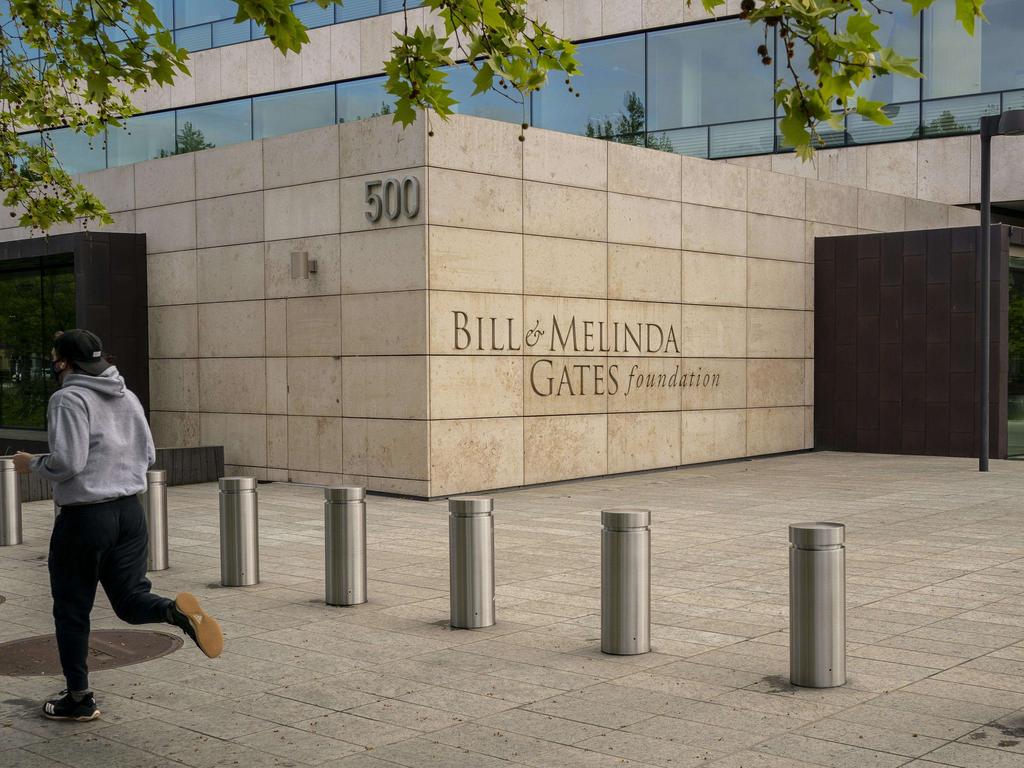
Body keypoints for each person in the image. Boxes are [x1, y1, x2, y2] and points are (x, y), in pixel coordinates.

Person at [12, 329, 223, 722]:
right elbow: (148, 454)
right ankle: (175, 612)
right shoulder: (127, 396)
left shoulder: (68, 398)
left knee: (72, 611)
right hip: (130, 513)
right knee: (129, 601)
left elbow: (69, 463)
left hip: (85, 519)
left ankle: (79, 698)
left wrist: (32, 464)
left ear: (64, 363)